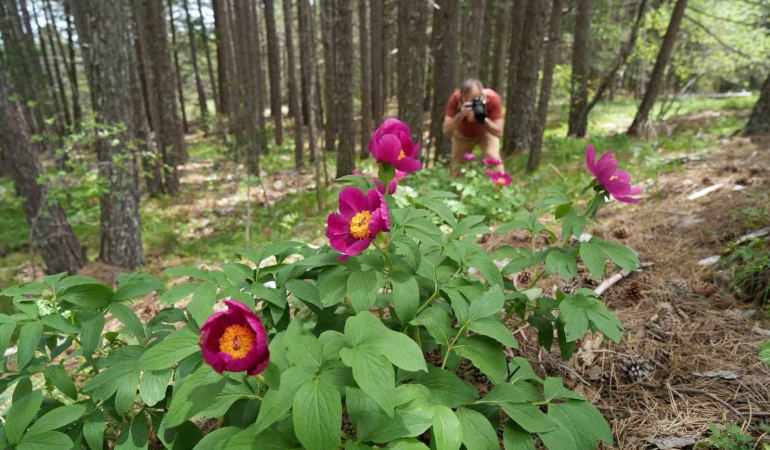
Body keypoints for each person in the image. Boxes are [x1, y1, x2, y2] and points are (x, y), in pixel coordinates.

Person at [442, 79, 504, 173]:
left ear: (482, 94)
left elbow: (499, 132)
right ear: (461, 96)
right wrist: (460, 115)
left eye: (475, 98)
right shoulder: (455, 98)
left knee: (494, 159)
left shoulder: (492, 98)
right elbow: (446, 130)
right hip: (462, 135)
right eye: (467, 100)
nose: (471, 103)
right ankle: (458, 186)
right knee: (457, 168)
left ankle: (498, 185)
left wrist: (482, 119)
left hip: (486, 133)